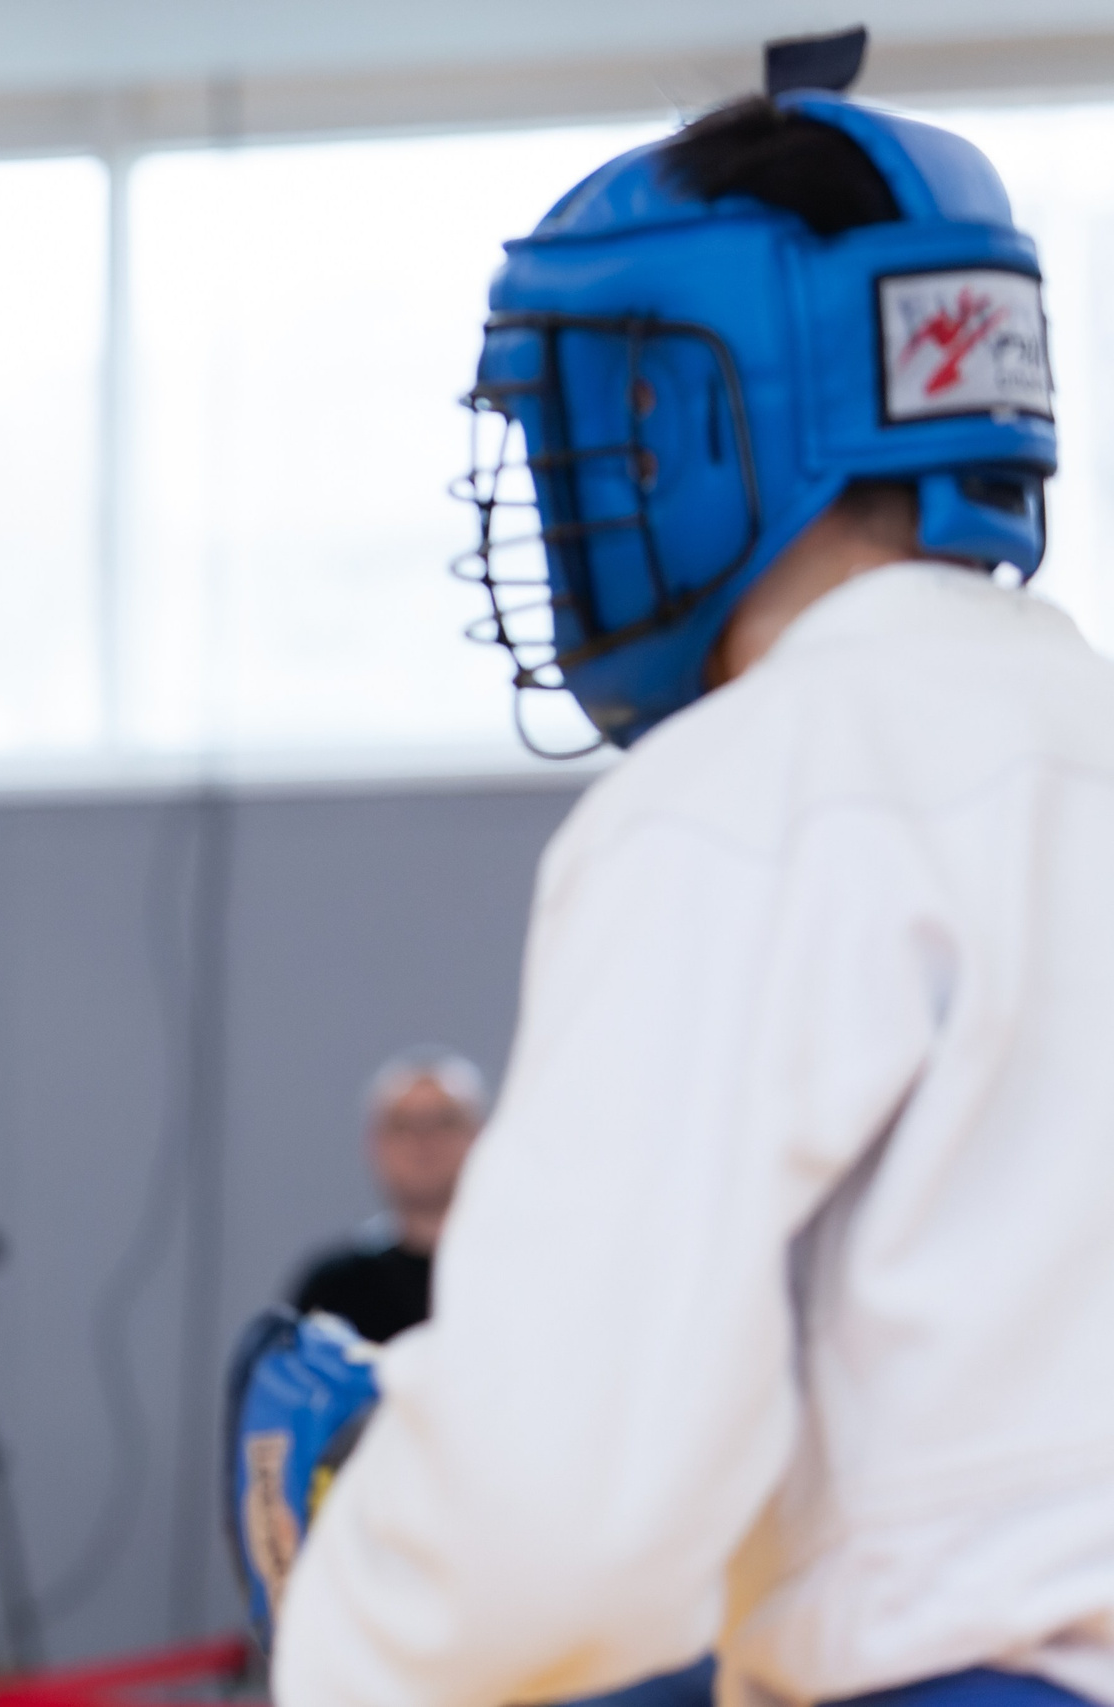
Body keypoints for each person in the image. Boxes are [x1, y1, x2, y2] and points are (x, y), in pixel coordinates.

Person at [273, 59, 1112, 1707]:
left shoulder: (759, 790)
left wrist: (367, 1549)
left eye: (589, 423)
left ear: (698, 421)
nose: (576, 493)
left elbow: (565, 1510)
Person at [286, 1048, 487, 1342]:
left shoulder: (520, 1273)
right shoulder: (336, 1288)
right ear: (375, 1144)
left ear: (480, 1137)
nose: (423, 1142)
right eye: (403, 1125)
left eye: (444, 1122)